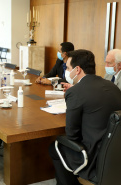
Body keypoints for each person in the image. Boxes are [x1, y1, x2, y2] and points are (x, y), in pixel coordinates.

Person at [49, 49, 121, 185]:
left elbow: (72, 135)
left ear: (77, 70)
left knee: (55, 147)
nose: (67, 71)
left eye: (68, 68)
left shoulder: (75, 92)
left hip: (92, 157)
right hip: (115, 153)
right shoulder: (113, 87)